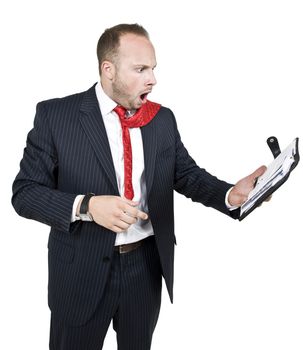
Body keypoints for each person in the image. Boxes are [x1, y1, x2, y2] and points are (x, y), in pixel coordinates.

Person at [12, 23, 266, 350]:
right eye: (140, 69)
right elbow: (26, 193)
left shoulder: (161, 119)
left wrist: (231, 193)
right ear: (108, 70)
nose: (152, 79)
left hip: (143, 268)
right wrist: (87, 206)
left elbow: (185, 174)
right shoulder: (56, 116)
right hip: (79, 271)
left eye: (153, 68)